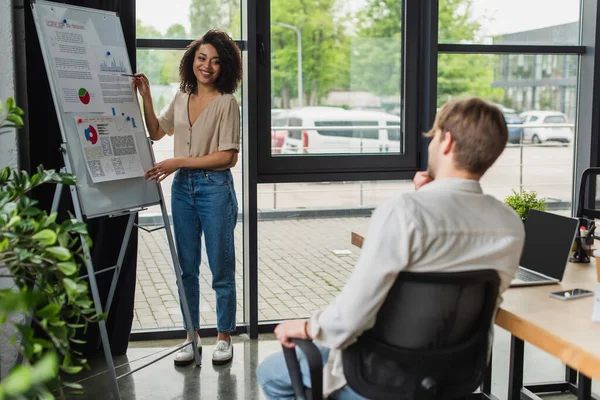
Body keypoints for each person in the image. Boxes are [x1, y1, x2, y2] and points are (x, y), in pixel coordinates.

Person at [257, 97, 526, 399]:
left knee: (270, 373)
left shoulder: (404, 213)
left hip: (376, 378)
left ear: (447, 141)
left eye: (435, 136)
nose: (432, 144)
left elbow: (349, 319)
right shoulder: (510, 224)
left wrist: (308, 328)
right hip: (454, 379)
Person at [133, 30, 242, 366]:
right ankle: (190, 336)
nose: (206, 66)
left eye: (215, 61)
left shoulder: (227, 103)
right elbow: (156, 131)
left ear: (224, 67)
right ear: (191, 59)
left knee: (220, 268)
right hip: (183, 190)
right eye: (201, 58)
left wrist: (177, 160)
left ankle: (223, 337)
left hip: (215, 189)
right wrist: (146, 97)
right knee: (186, 269)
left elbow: (228, 158)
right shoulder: (182, 95)